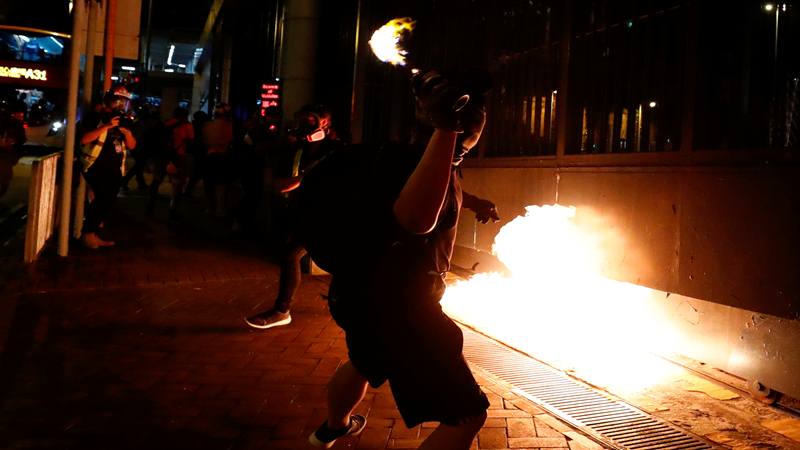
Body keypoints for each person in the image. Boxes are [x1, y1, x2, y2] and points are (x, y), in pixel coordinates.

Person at [308, 69, 495, 449]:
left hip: (359, 294)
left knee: (364, 362)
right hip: (403, 309)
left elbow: (433, 184)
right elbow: (414, 220)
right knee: (467, 415)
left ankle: (332, 428)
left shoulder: (393, 155)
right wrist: (448, 129)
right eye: (469, 136)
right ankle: (333, 426)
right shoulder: (431, 154)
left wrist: (473, 200)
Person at [244, 104, 342, 330]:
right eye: (301, 121)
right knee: (292, 255)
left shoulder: (335, 149)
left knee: (296, 255)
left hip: (331, 214)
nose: (304, 125)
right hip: (309, 213)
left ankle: (282, 310)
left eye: (311, 120)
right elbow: (280, 185)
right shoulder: (298, 149)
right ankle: (282, 310)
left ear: (325, 123)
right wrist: (305, 176)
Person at [78, 85, 137, 249]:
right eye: (116, 102)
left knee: (107, 201)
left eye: (123, 103)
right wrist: (105, 126)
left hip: (116, 169)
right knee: (102, 199)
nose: (120, 106)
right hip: (95, 166)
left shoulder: (125, 121)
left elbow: (132, 145)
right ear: (107, 102)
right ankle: (88, 234)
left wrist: (127, 133)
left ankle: (92, 233)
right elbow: (84, 139)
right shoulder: (96, 117)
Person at [201, 103, 233, 217]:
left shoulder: (207, 125)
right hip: (224, 157)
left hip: (210, 156)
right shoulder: (231, 126)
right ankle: (220, 208)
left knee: (209, 184)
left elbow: (204, 142)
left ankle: (209, 207)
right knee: (222, 184)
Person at [0, 100, 26, 199]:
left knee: (5, 178)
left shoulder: (15, 124)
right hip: (7, 155)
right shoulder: (14, 124)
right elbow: (22, 139)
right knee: (5, 177)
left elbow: (21, 139)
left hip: (8, 154)